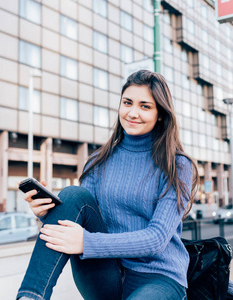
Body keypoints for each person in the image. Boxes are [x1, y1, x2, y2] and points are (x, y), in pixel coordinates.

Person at [17, 70, 199, 300]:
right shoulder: (98, 160)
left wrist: (86, 242)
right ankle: (31, 296)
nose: (133, 113)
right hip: (104, 272)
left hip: (158, 277)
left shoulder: (177, 165)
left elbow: (156, 239)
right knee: (73, 195)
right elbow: (84, 217)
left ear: (160, 114)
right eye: (127, 103)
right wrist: (47, 213)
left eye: (145, 106)